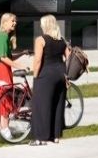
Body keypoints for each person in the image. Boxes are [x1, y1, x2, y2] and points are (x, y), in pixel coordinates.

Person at [30, 15, 70, 144]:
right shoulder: (62, 40)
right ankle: (56, 135)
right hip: (61, 74)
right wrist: (67, 76)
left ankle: (41, 137)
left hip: (46, 75)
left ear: (45, 25)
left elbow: (37, 61)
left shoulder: (41, 40)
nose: (41, 26)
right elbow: (69, 59)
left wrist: (35, 77)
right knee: (58, 105)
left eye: (42, 24)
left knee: (41, 106)